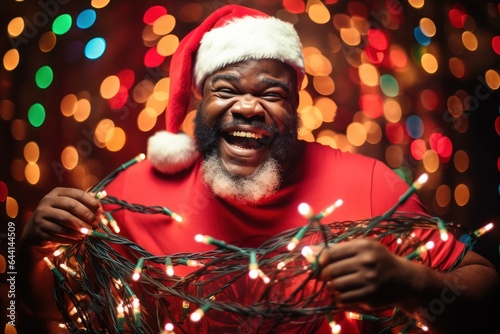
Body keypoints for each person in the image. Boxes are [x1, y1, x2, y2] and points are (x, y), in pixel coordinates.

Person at [19, 4, 499, 334]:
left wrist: (415, 284)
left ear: (295, 106)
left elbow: (488, 292)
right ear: (199, 100)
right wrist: (30, 251)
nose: (248, 108)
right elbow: (37, 316)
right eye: (226, 90)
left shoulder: (370, 184)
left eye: (271, 94)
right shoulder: (134, 191)